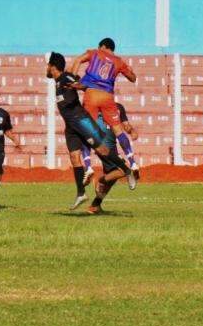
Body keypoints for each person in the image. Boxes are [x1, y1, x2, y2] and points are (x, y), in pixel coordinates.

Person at [46, 51, 137, 209]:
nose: (46, 68)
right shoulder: (56, 82)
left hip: (82, 121)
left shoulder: (65, 77)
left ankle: (126, 170)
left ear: (52, 66)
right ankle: (81, 194)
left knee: (102, 149)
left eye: (47, 65)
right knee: (74, 157)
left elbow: (84, 84)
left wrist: (78, 85)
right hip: (70, 126)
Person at [70, 38, 139, 180]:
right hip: (107, 96)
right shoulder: (118, 61)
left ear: (103, 46)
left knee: (86, 131)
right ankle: (132, 163)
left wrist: (73, 78)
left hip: (92, 95)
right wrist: (131, 72)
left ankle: (88, 167)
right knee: (118, 130)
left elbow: (77, 60)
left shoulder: (95, 53)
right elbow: (133, 78)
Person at [86, 103, 138, 214]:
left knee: (112, 178)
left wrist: (132, 131)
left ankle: (95, 206)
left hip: (112, 147)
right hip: (102, 147)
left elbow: (126, 126)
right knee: (123, 170)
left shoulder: (119, 107)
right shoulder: (93, 105)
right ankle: (100, 181)